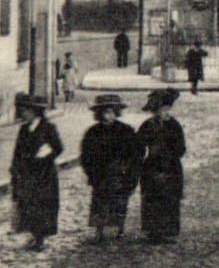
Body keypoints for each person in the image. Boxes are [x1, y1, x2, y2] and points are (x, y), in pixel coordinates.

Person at [80, 93, 142, 242]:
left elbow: (136, 152)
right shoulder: (93, 132)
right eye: (105, 112)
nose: (108, 116)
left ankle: (119, 229)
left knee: (120, 201)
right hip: (100, 173)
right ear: (99, 114)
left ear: (116, 113)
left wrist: (130, 171)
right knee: (100, 202)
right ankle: (99, 230)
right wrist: (91, 172)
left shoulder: (126, 131)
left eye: (111, 112)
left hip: (120, 173)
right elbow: (86, 154)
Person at [10, 95, 62, 251]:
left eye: (26, 110)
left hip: (44, 175)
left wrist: (47, 154)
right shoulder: (24, 129)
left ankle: (40, 238)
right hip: (27, 174)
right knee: (29, 205)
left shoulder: (48, 128)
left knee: (43, 206)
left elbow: (58, 148)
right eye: (23, 110)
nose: (23, 113)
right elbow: (18, 151)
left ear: (35, 112)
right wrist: (14, 168)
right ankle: (34, 234)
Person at [137, 88, 186, 243]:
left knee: (170, 197)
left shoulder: (174, 125)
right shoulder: (147, 125)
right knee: (153, 197)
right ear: (155, 111)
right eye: (163, 110)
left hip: (171, 166)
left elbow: (181, 147)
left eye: (168, 109)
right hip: (152, 166)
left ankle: (167, 230)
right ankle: (153, 231)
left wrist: (171, 154)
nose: (166, 113)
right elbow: (138, 145)